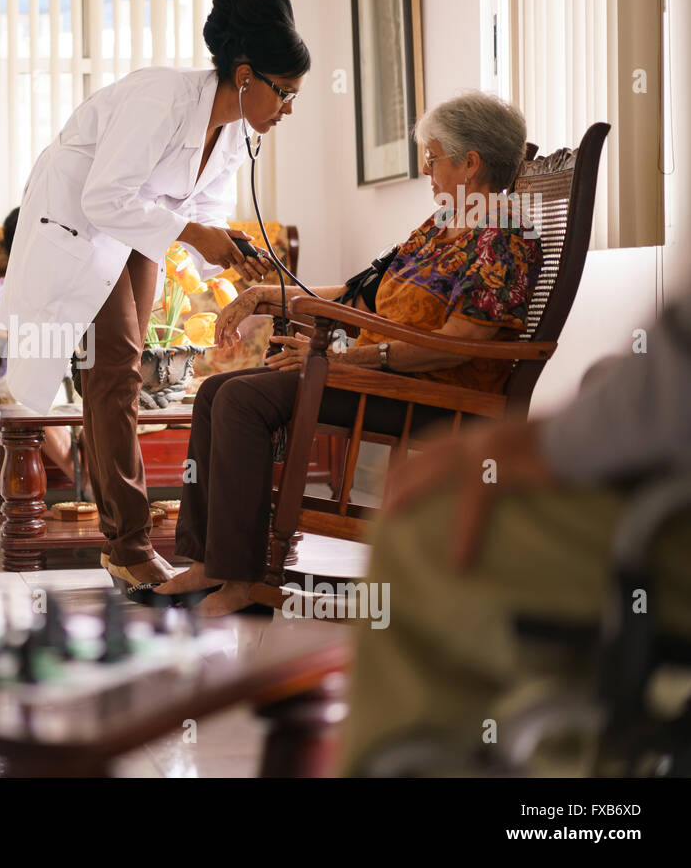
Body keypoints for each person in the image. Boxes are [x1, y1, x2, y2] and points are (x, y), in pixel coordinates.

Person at [155, 92, 542, 616]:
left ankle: (242, 579)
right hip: (378, 376)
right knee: (218, 390)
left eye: (432, 158)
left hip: (430, 394)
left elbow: (460, 343)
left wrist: (340, 363)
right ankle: (210, 562)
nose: (426, 170)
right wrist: (266, 296)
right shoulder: (440, 226)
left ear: (469, 163)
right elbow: (359, 296)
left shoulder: (501, 237)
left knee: (242, 399)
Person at [0, 0, 298, 588]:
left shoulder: (235, 132)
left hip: (138, 228)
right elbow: (106, 196)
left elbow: (206, 212)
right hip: (80, 220)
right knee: (116, 369)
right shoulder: (161, 97)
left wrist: (234, 254)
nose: (288, 108)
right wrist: (192, 235)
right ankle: (127, 542)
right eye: (284, 92)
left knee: (120, 373)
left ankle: (124, 536)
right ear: (245, 76)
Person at [339, 286, 691, 774]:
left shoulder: (496, 248)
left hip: (435, 387)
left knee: (421, 523)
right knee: (236, 392)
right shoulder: (433, 238)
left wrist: (548, 443)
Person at [0, 206, 78, 483]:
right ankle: (92, 486)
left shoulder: (72, 284)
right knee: (31, 395)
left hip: (69, 377)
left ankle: (93, 488)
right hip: (16, 375)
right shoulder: (2, 288)